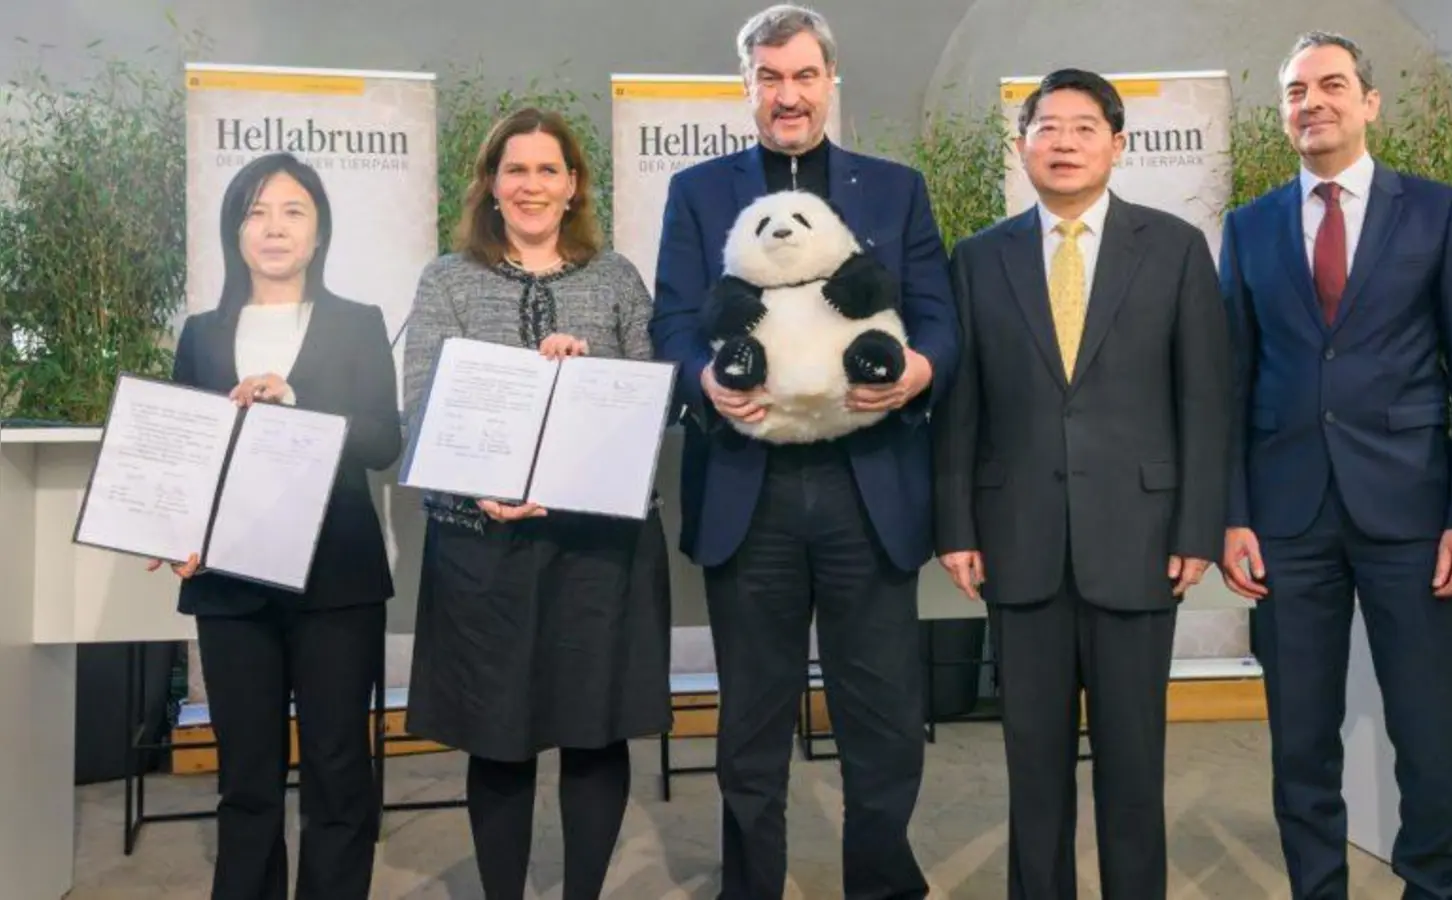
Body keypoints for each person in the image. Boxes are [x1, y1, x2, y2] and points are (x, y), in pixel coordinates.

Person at [649, 5, 959, 898]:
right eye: (770, 77)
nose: (789, 95)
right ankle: (752, 887)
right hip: (749, 490)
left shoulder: (895, 189)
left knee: (884, 717)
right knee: (751, 723)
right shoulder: (697, 193)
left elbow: (938, 316)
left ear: (831, 82)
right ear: (746, 87)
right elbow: (673, 322)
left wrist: (919, 369)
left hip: (870, 489)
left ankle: (882, 884)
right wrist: (702, 380)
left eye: (804, 76)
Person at [1219, 31, 1452, 900]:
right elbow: (1230, 382)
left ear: (1369, 103)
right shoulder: (1249, 225)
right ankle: (1318, 888)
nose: (1312, 102)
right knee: (1300, 733)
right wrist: (1233, 514)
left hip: (1413, 513)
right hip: (1286, 517)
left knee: (1426, 726)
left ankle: (1436, 884)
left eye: (1331, 85)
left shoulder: (1438, 212)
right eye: (1295, 91)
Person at [933, 68, 1231, 899]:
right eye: (1047, 128)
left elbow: (1205, 400)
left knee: (1135, 764)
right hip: (1018, 540)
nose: (1064, 143)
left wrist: (1197, 528)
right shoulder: (978, 258)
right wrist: (955, 525)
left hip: (1141, 540)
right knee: (1032, 764)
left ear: (1117, 144)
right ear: (1021, 144)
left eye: (1084, 128)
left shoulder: (1174, 248)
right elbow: (959, 408)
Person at [400, 107, 673, 900]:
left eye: (548, 169)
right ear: (490, 184)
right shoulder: (447, 279)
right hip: (485, 546)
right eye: (514, 169)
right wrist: (479, 485)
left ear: (573, 184)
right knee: (499, 737)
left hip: (599, 548)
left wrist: (586, 382)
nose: (531, 185)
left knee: (595, 732)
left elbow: (654, 403)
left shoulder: (616, 278)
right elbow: (422, 407)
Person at [150, 151, 402, 900]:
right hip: (228, 580)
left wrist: (296, 403)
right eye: (256, 212)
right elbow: (184, 452)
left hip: (337, 578)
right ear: (235, 231)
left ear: (319, 232)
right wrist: (173, 531)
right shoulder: (201, 333)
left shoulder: (358, 324)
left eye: (293, 211)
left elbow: (382, 443)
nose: (274, 228)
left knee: (338, 768)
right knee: (246, 776)